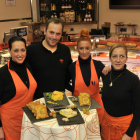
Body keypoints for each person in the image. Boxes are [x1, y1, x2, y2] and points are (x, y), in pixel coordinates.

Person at [66, 28, 111, 124]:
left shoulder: (98, 65)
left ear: (91, 48)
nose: (84, 51)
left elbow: (108, 83)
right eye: (81, 48)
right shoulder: (72, 67)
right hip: (78, 107)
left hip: (96, 108)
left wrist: (108, 68)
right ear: (76, 48)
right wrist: (73, 90)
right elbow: (65, 83)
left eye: (87, 48)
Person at [0, 36, 37, 140]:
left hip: (28, 121)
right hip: (11, 125)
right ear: (9, 51)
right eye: (16, 51)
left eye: (22, 50)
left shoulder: (29, 67)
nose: (20, 54)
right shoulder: (2, 74)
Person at [26, 18, 72, 99]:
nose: (54, 37)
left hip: (60, 101)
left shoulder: (65, 50)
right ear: (45, 31)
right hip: (38, 101)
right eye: (51, 32)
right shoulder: (31, 50)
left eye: (58, 34)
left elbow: (68, 75)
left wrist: (70, 89)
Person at [101, 43, 140, 140]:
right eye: (114, 56)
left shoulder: (133, 80)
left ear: (126, 58)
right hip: (107, 126)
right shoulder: (106, 75)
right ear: (110, 58)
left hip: (125, 129)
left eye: (122, 56)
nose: (118, 60)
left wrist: (129, 134)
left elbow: (138, 110)